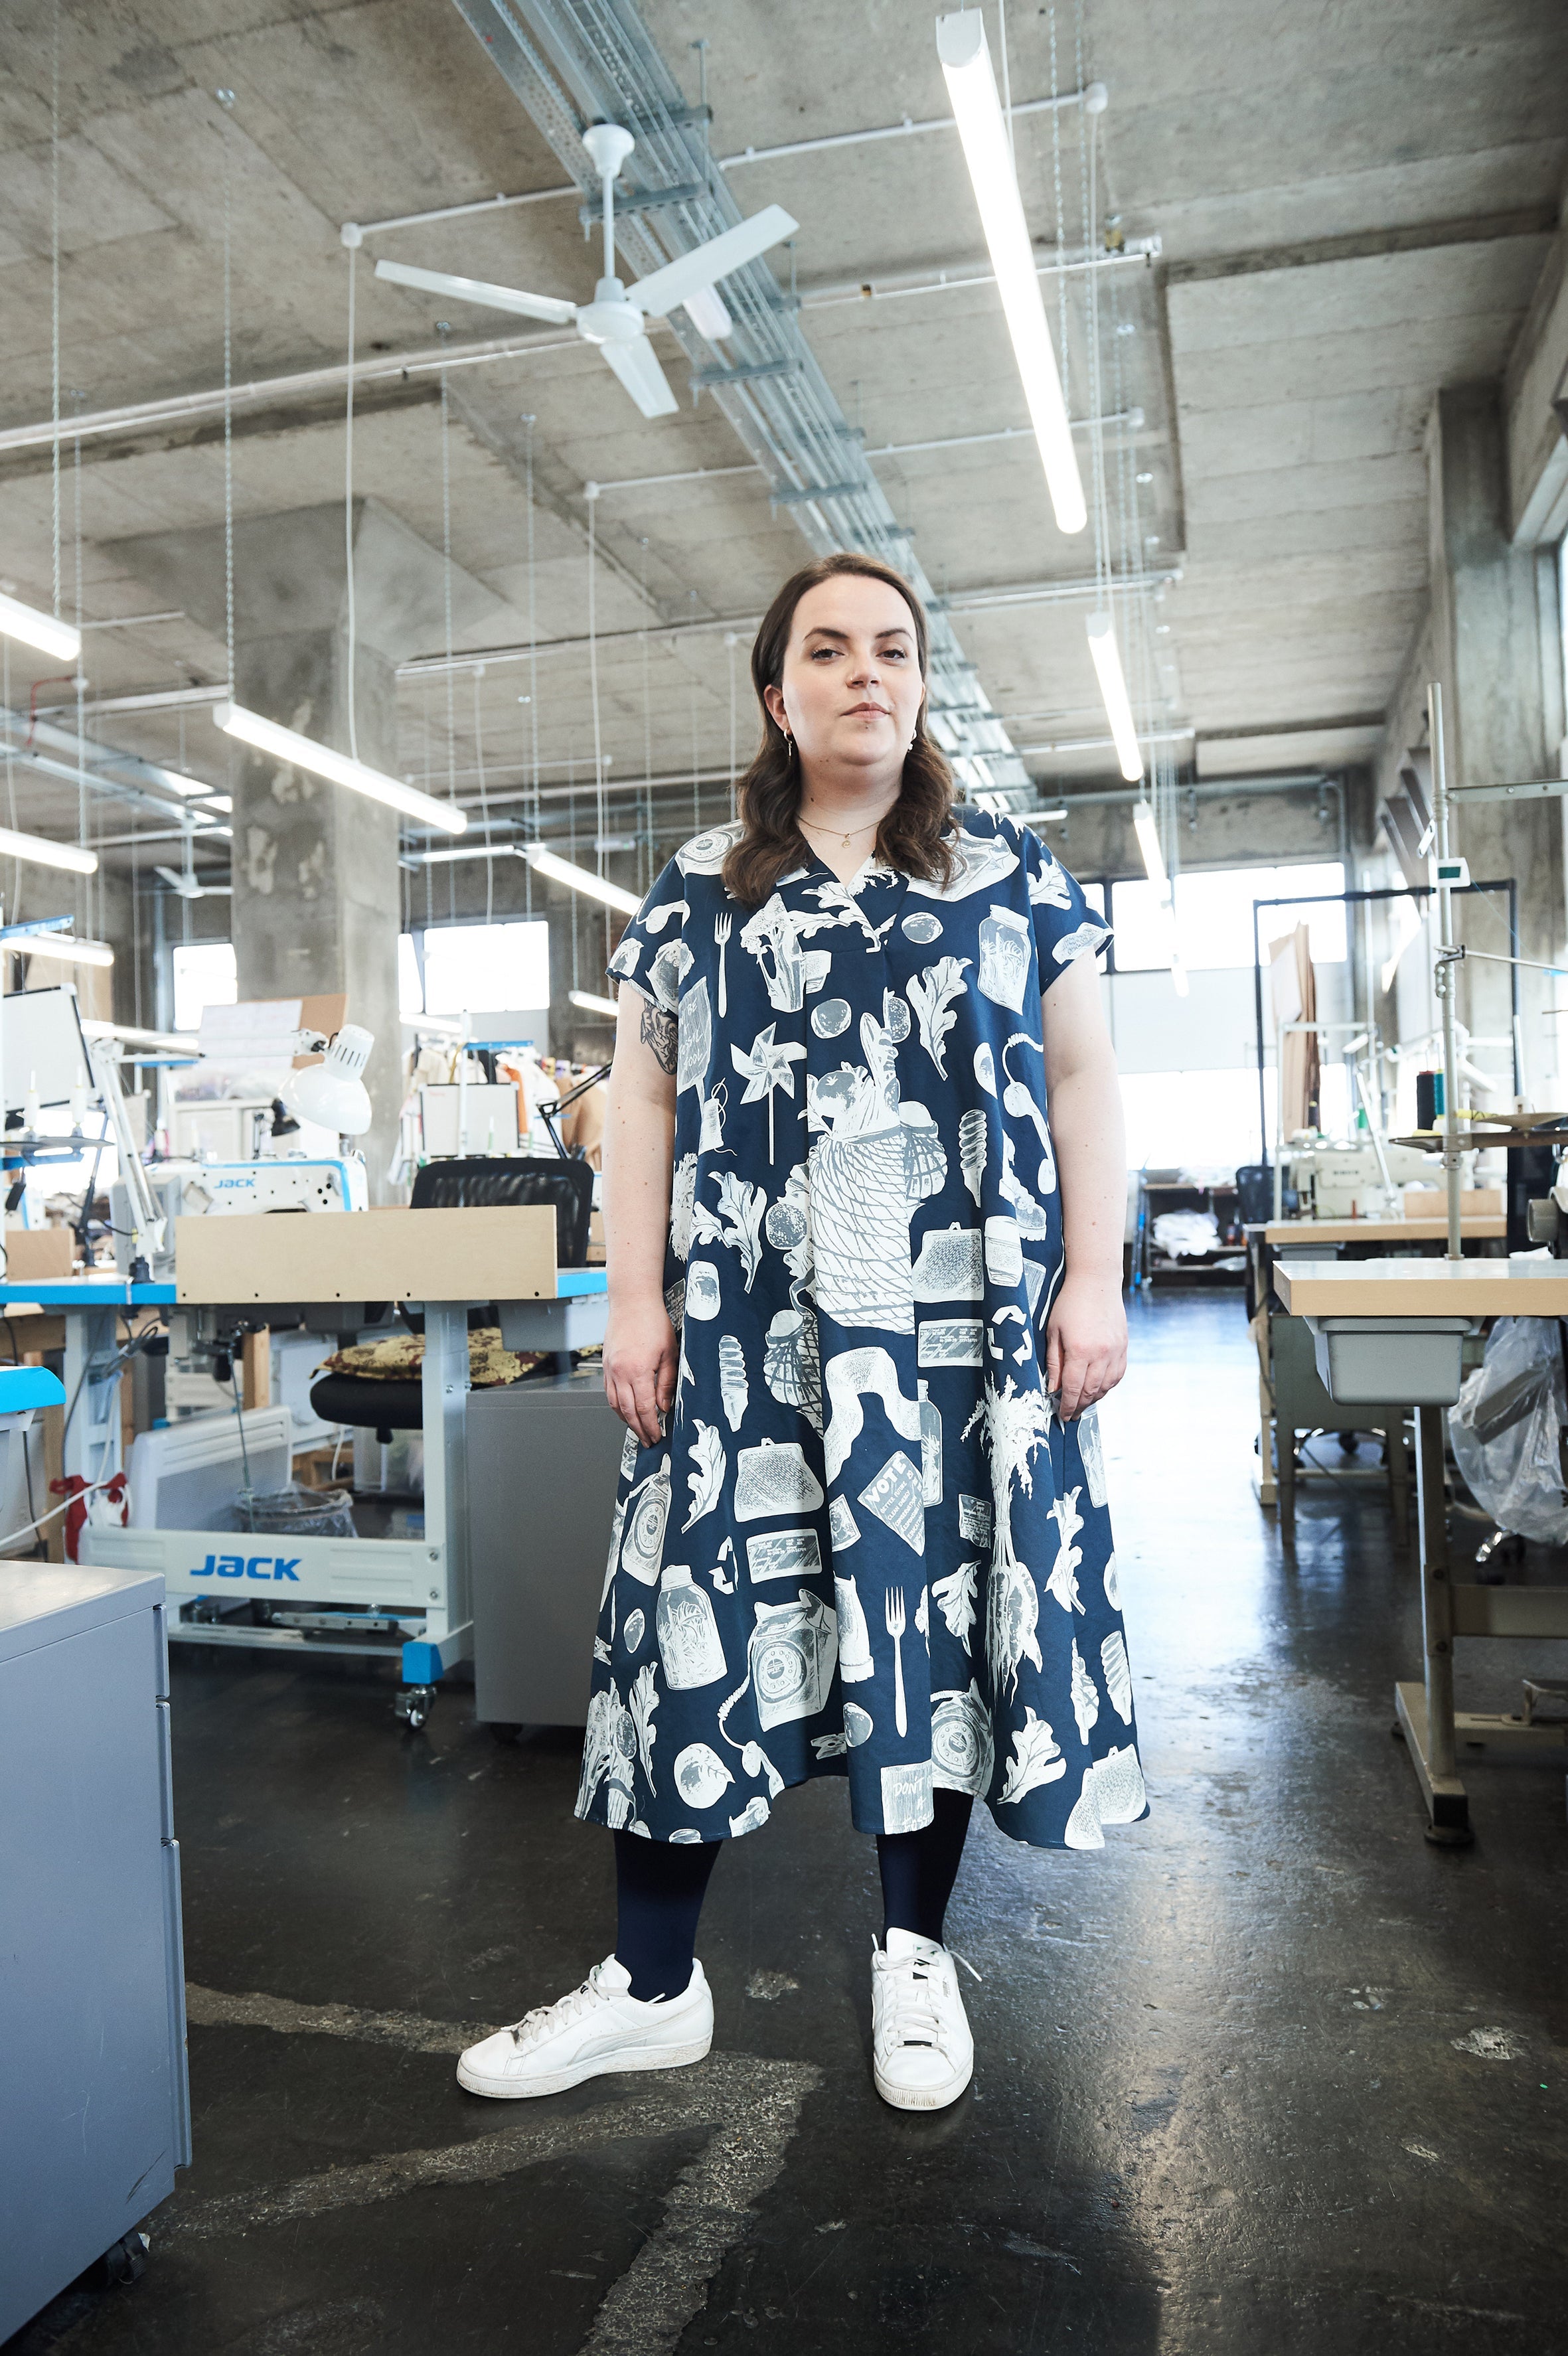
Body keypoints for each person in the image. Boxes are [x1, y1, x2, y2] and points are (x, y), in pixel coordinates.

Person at [458, 552, 1144, 2114]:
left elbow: (1084, 1075)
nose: (863, 673)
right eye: (827, 650)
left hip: (957, 1327)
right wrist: (632, 1299)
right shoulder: (700, 884)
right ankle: (650, 1983)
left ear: (920, 682)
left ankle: (914, 1953)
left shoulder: (1010, 873)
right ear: (778, 693)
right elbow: (641, 1099)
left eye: (891, 648)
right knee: (688, 1613)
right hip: (739, 1322)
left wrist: (1093, 1278)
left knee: (930, 1616)